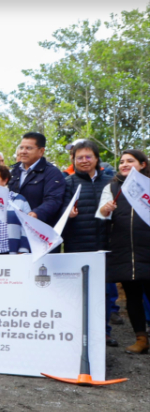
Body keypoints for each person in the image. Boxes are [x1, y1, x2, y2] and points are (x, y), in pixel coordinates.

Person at [60, 140, 115, 345]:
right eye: (79, 157)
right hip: (77, 245)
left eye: (88, 157)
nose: (84, 161)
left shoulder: (110, 182)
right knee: (79, 292)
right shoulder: (68, 183)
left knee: (105, 291)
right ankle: (79, 331)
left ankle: (105, 331)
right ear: (73, 160)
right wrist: (69, 215)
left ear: (96, 159)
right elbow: (60, 215)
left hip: (105, 245)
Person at [96, 149, 150, 354]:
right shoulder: (112, 186)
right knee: (132, 296)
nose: (124, 164)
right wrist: (106, 209)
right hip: (123, 250)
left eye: (130, 161)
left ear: (142, 164)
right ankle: (141, 339)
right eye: (121, 162)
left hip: (147, 249)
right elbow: (101, 214)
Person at [8, 132, 65, 225]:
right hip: (14, 226)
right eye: (21, 147)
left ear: (41, 151)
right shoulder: (13, 171)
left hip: (39, 227)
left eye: (28, 148)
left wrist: (37, 213)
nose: (23, 151)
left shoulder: (51, 172)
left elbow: (54, 199)